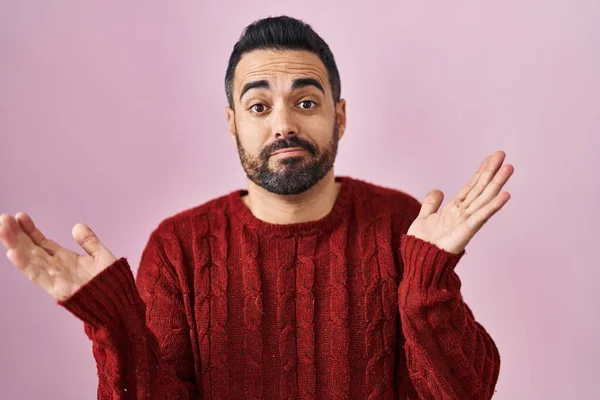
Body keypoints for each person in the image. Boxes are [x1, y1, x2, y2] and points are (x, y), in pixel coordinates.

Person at [0, 15, 513, 400]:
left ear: (340, 117)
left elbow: (467, 394)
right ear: (232, 123)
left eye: (307, 103)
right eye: (259, 106)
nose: (283, 124)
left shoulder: (403, 226)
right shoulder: (179, 247)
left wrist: (427, 282)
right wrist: (112, 321)